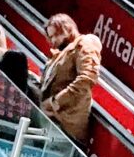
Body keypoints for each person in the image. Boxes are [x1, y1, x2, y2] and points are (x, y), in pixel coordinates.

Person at [36, 12, 101, 145]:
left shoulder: (85, 43)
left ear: (67, 28)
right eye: (50, 37)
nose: (53, 41)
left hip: (65, 127)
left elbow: (86, 78)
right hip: (53, 122)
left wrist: (56, 102)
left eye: (56, 35)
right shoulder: (62, 52)